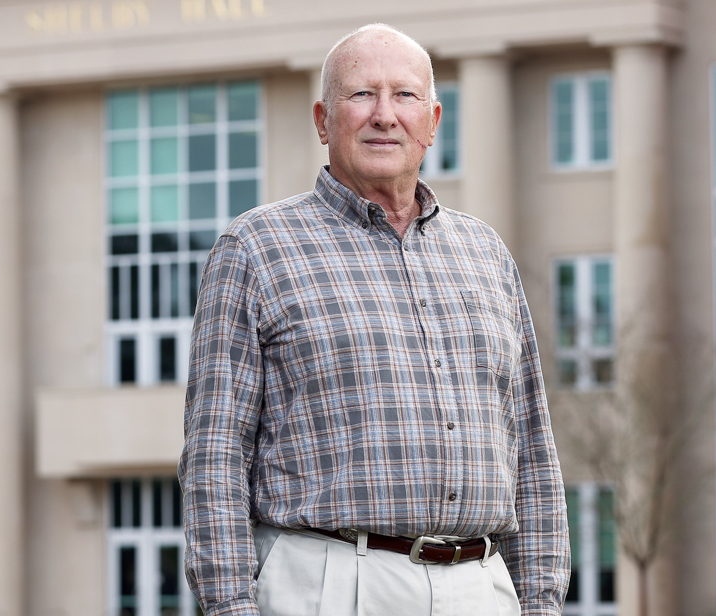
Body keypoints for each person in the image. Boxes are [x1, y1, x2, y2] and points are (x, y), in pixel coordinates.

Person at [178, 23, 570, 616]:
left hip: (482, 589)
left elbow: (532, 448)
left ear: (433, 121)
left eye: (405, 96)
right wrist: (230, 606)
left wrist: (540, 603)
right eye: (361, 94)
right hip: (329, 585)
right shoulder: (255, 247)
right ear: (321, 120)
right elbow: (214, 454)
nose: (385, 115)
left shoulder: (486, 253)